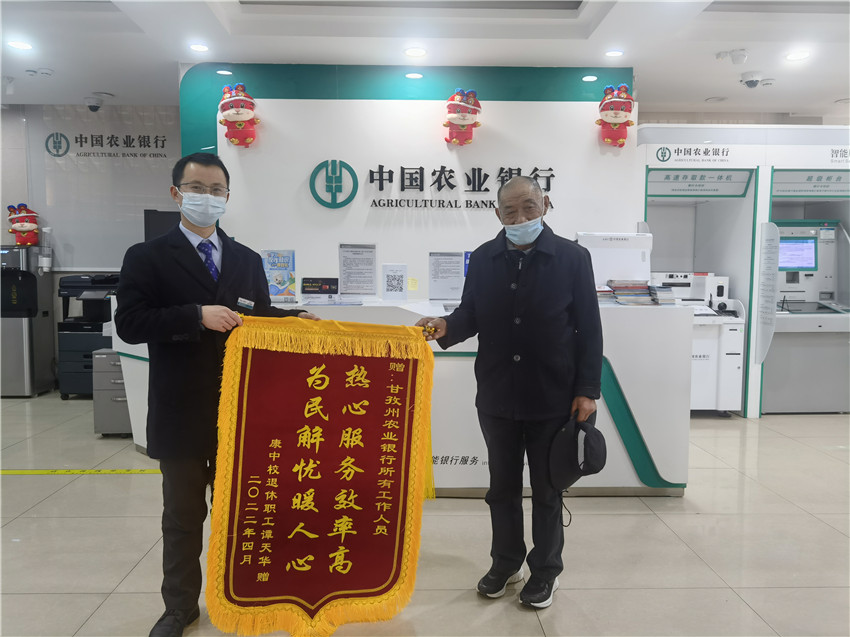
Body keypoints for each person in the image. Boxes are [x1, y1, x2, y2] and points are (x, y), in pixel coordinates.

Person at [115, 152, 319, 637]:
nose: (207, 198)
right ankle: (179, 607)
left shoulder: (247, 259)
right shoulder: (146, 256)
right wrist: (194, 316)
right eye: (197, 188)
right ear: (176, 194)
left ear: (228, 197)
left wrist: (295, 320)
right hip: (180, 411)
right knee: (183, 516)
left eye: (216, 190)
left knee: (247, 515)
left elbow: (257, 318)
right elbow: (130, 324)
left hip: (245, 413)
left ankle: (246, 597)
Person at [416, 175, 602, 609]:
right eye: (510, 211)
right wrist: (446, 326)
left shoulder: (573, 258)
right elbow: (470, 313)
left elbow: (589, 328)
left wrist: (587, 390)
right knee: (501, 488)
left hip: (553, 395)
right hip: (497, 394)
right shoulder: (484, 258)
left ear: (545, 205)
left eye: (528, 208)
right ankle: (506, 563)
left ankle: (546, 571)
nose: (519, 219)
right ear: (497, 213)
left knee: (547, 490)